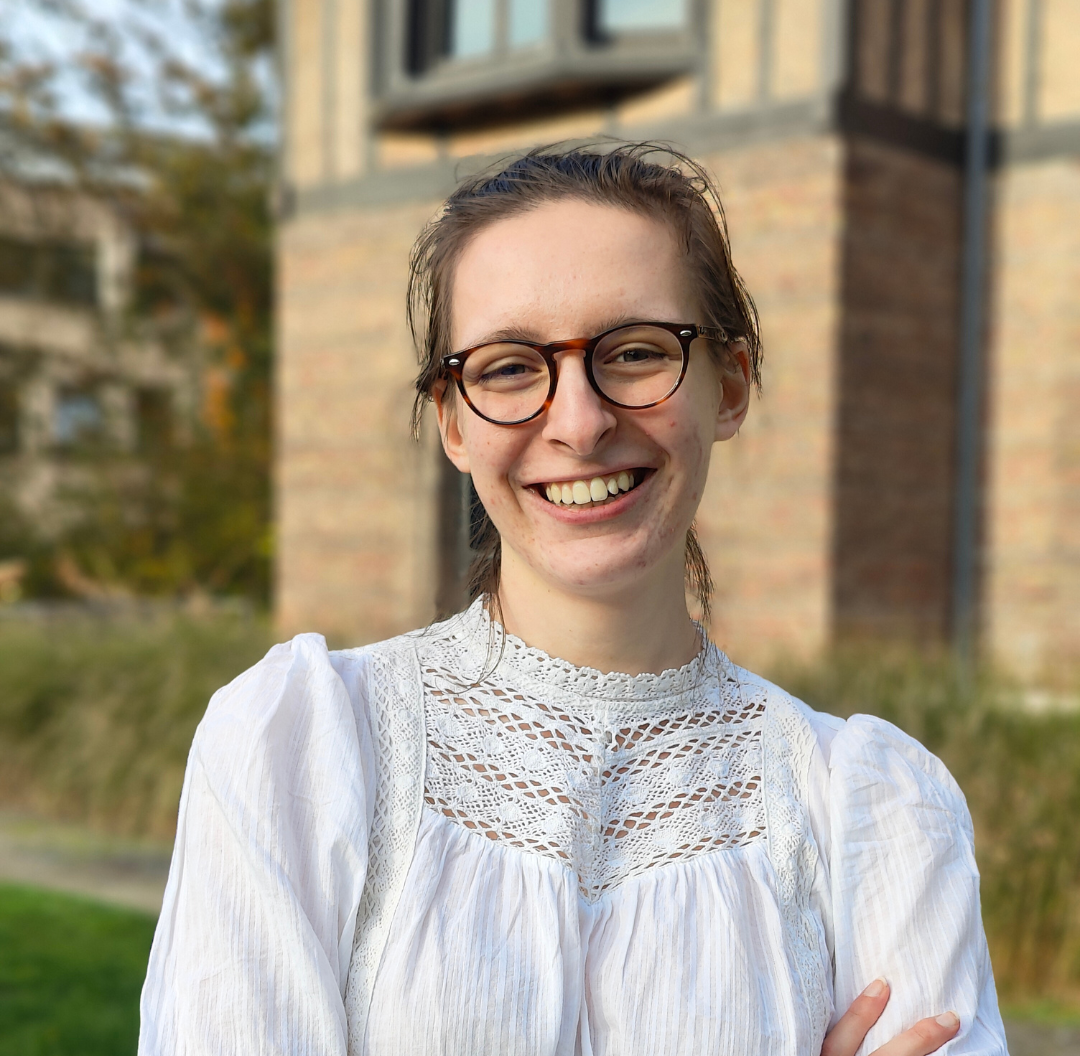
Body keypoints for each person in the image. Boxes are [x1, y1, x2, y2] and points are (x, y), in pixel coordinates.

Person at [139, 144, 1008, 1055]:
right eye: (510, 367)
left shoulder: (872, 806)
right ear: (453, 421)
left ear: (731, 385)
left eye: (634, 352)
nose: (581, 422)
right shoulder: (303, 747)